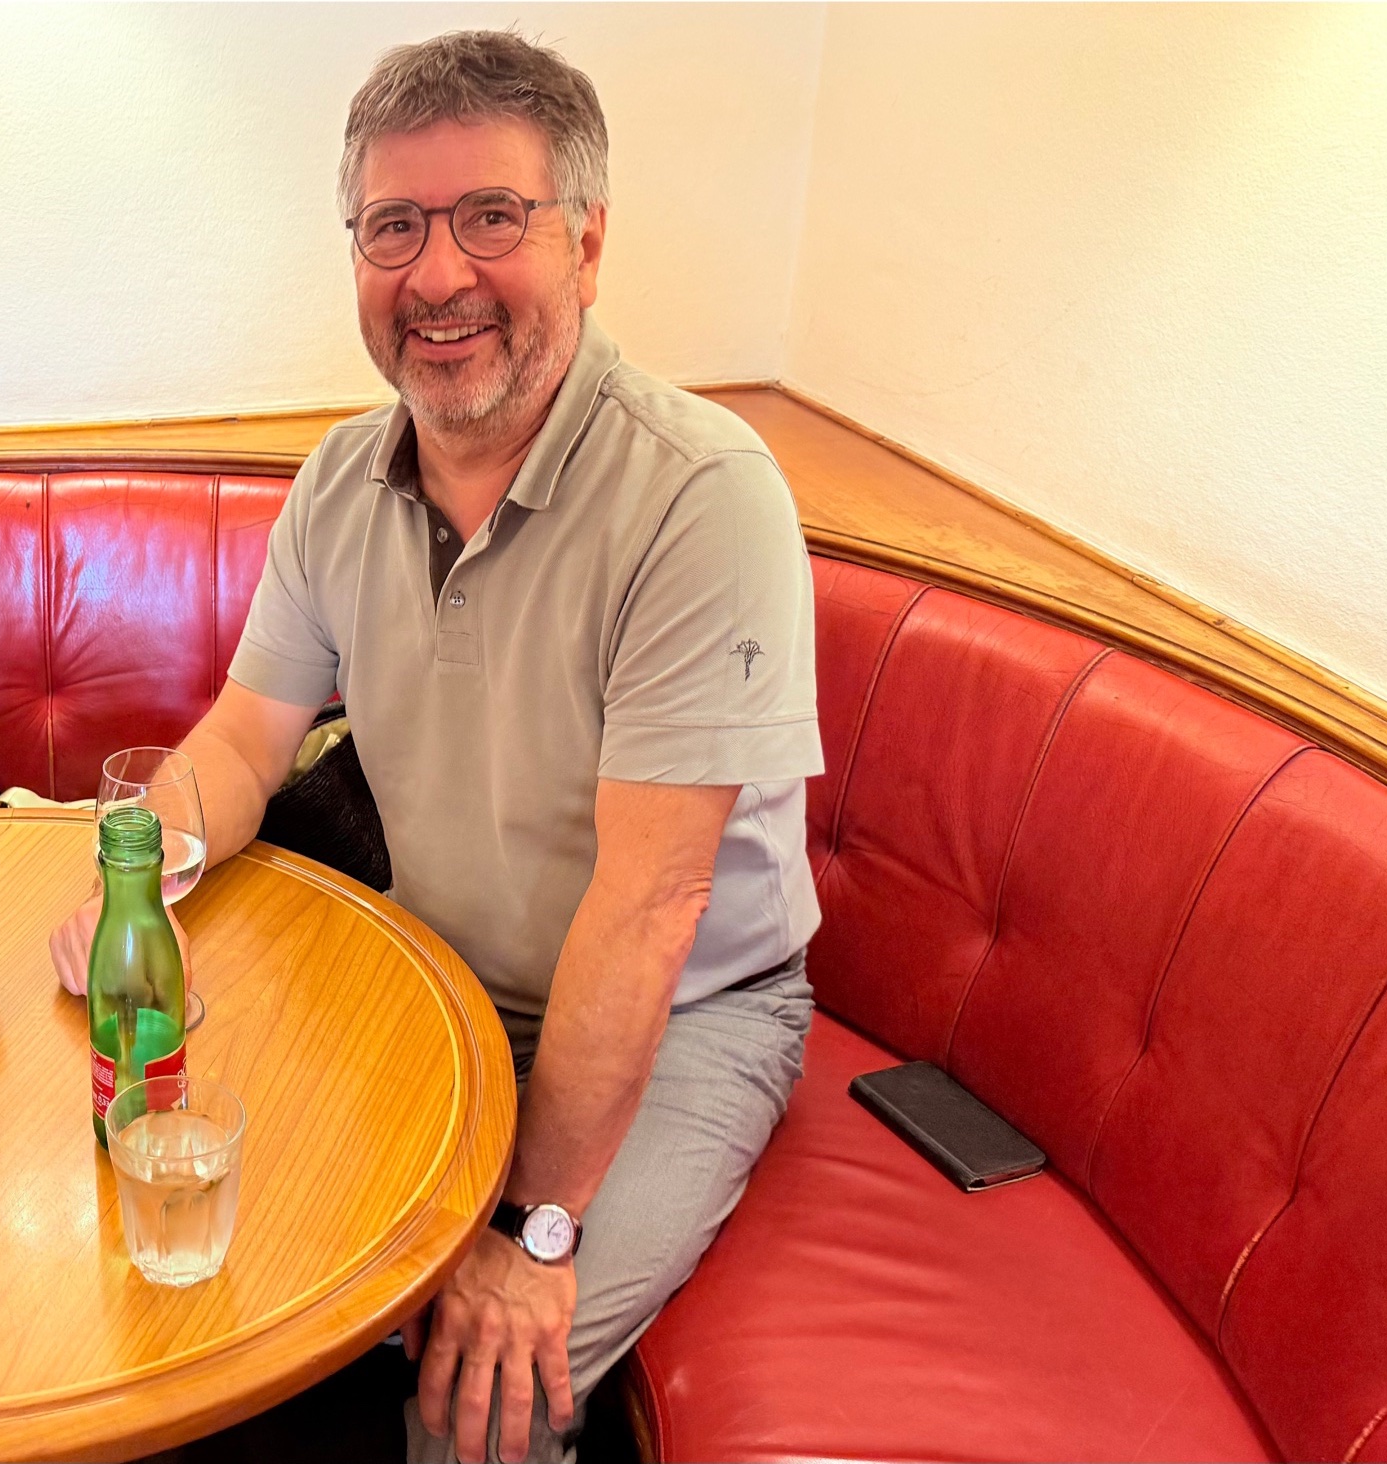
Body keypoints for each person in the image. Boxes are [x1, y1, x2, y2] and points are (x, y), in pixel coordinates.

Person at [53, 31, 820, 1464]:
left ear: (587, 246)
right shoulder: (341, 479)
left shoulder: (702, 495)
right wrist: (131, 880)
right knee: (190, 1234)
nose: (439, 274)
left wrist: (534, 1228)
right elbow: (243, 743)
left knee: (477, 1407)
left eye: (492, 217)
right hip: (429, 976)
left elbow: (649, 910)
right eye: (394, 226)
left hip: (686, 1017)